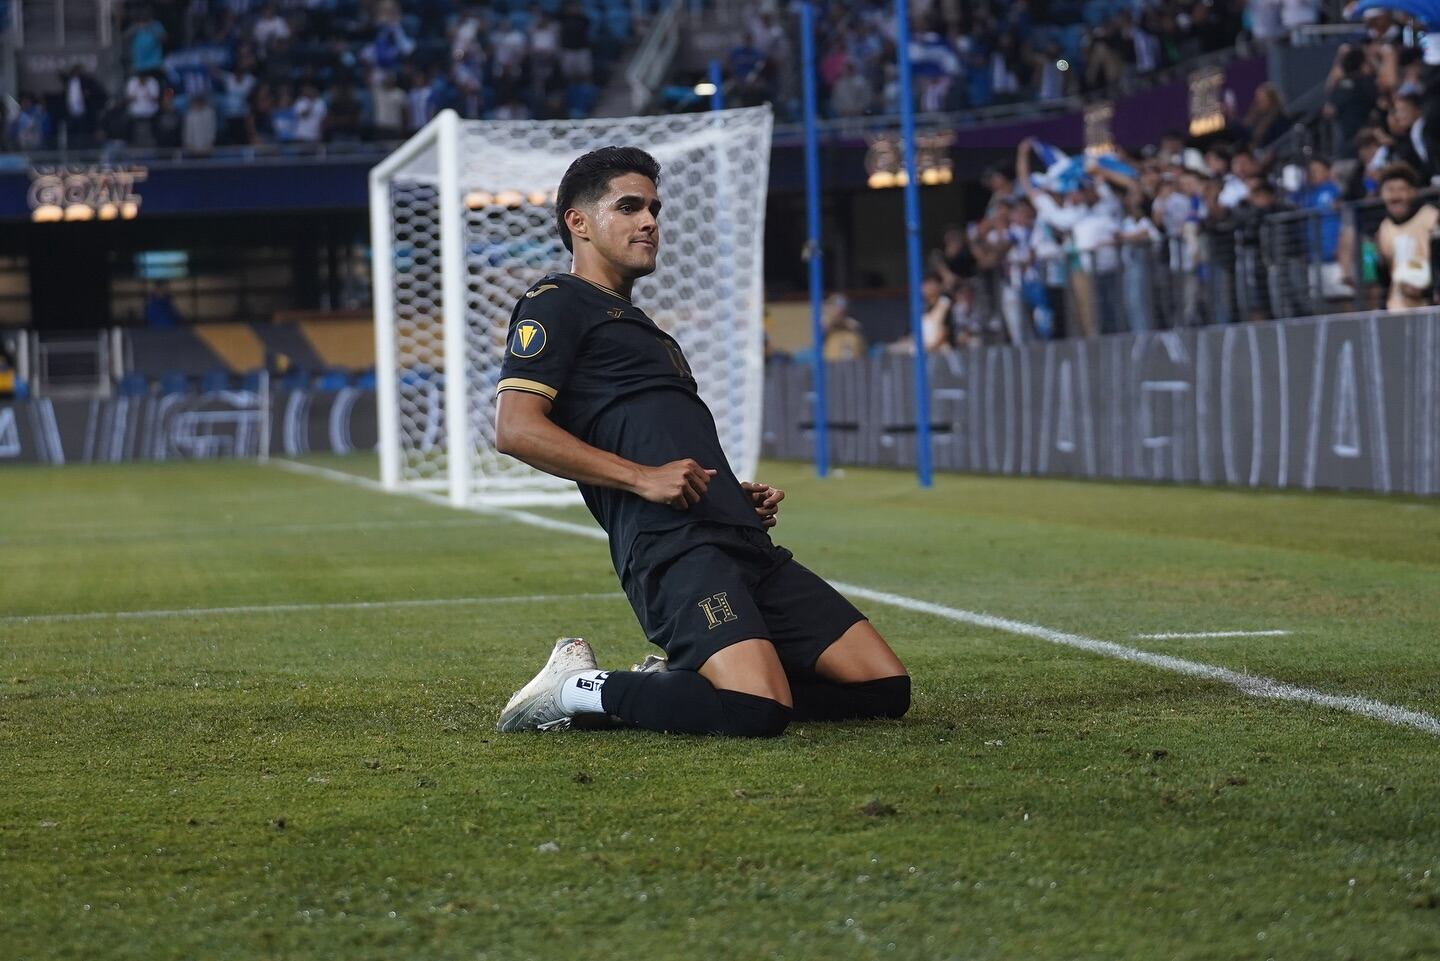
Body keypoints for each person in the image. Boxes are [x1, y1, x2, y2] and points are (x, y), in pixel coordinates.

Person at [493, 147, 910, 737]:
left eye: (654, 208)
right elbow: (516, 429)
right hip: (674, 545)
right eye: (629, 206)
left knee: (882, 688)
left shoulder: (644, 329)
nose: (649, 222)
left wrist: (730, 496)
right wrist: (643, 478)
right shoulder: (555, 303)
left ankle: (677, 684)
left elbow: (660, 438)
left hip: (737, 537)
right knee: (755, 712)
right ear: (577, 222)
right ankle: (573, 689)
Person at [1374, 163, 1438, 311]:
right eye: (1390, 190)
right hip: (1397, 308)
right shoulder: (1384, 228)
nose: (1395, 196)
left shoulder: (1431, 218)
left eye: (1401, 189)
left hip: (1430, 306)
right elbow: (1385, 276)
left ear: (1412, 192)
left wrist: (1428, 290)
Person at [820, 294, 866, 361]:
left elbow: (858, 329)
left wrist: (843, 322)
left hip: (852, 362)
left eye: (841, 308)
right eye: (835, 307)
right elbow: (822, 331)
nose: (838, 311)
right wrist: (835, 321)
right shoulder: (824, 321)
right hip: (831, 363)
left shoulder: (850, 322)